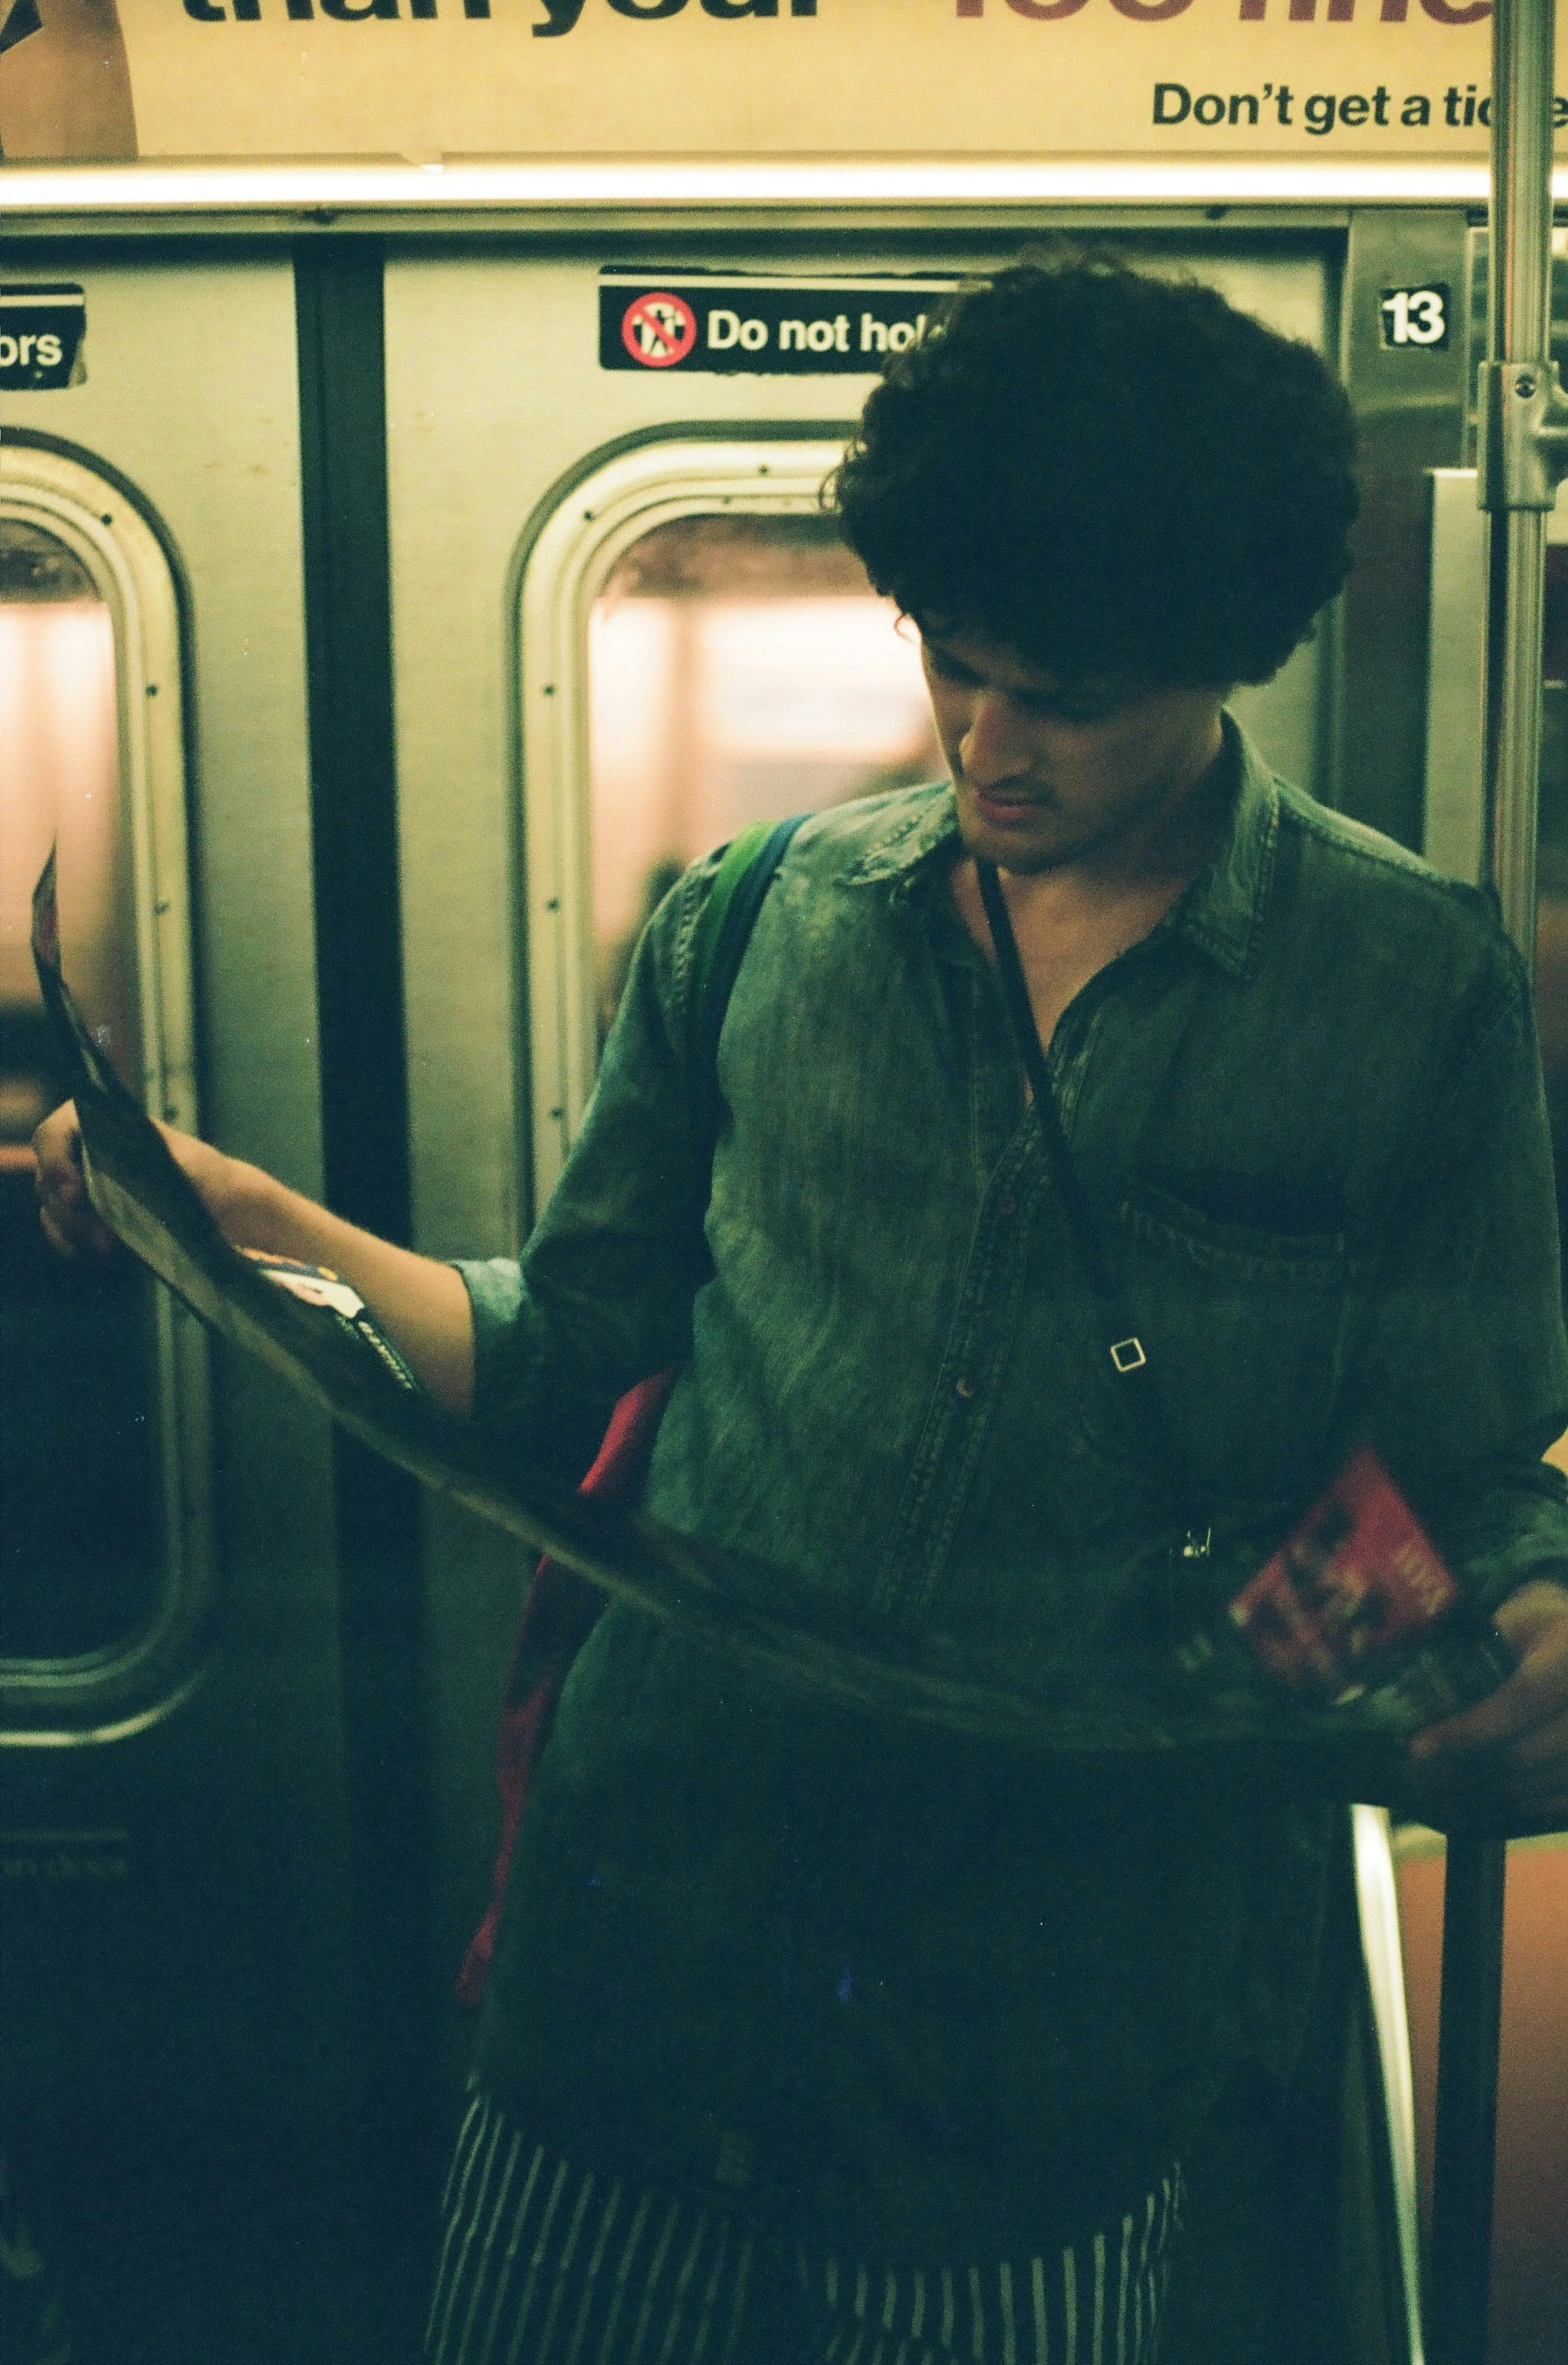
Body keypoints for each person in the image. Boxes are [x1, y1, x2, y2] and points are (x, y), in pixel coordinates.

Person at [35, 259, 1568, 2365]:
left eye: (1068, 696)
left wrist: (1538, 1608)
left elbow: (1470, 1471)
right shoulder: (754, 921)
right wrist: (240, 1216)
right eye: (952, 662)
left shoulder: (1405, 994)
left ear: (1229, 660)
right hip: (631, 1996)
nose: (984, 741)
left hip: (1038, 2057)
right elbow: (561, 1351)